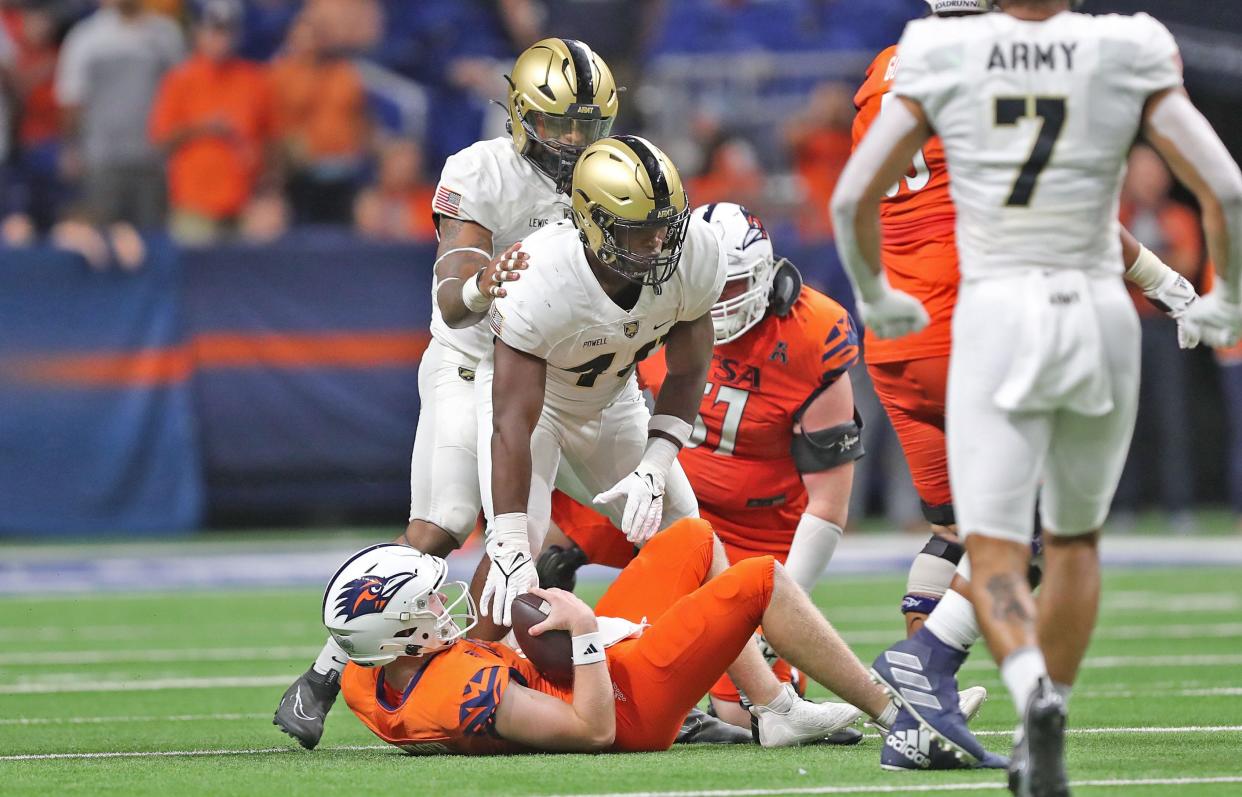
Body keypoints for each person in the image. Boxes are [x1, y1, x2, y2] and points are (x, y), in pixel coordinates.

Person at [831, 1, 1242, 793]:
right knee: (1049, 532)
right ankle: (941, 666)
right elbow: (1213, 184)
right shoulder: (1122, 43)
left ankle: (920, 715)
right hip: (996, 322)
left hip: (899, 338)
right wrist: (1183, 288)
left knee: (957, 529)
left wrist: (872, 292)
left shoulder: (902, 63)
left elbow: (855, 199)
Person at [273, 37, 623, 750]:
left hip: (555, 378)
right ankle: (323, 673)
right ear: (522, 115)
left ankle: (504, 660)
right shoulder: (480, 168)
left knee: (555, 529)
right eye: (560, 123)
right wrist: (481, 283)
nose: (575, 140)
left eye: (589, 125)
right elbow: (454, 295)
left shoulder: (605, 174)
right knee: (443, 525)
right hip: (472, 365)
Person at [478, 136, 883, 746]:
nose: (658, 244)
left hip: (614, 400)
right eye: (639, 231)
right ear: (592, 223)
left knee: (690, 534)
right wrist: (510, 532)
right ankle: (469, 685)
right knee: (515, 555)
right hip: (538, 409)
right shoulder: (539, 276)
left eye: (665, 225)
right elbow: (512, 418)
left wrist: (656, 462)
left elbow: (691, 371)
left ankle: (772, 705)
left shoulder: (692, 250)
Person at [329, 518, 901, 754]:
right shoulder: (459, 693)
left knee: (693, 536)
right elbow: (595, 730)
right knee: (761, 579)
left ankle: (773, 709)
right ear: (398, 634)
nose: (440, 602)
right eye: (424, 603)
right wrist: (582, 629)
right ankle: (895, 715)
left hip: (576, 671)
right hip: (624, 709)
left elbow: (362, 642)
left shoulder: (366, 672)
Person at [148, 0, 276, 245]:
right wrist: (203, 128)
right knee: (197, 278)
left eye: (227, 31)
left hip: (246, 205)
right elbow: (161, 140)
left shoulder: (254, 79)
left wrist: (269, 193)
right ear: (199, 33)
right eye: (214, 30)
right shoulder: (181, 79)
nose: (221, 39)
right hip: (195, 205)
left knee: (251, 280)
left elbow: (271, 141)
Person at [54, 0, 184, 229]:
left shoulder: (166, 34)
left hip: (153, 160)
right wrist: (71, 147)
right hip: (102, 157)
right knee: (104, 237)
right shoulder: (86, 37)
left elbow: (182, 92)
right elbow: (72, 99)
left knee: (151, 240)